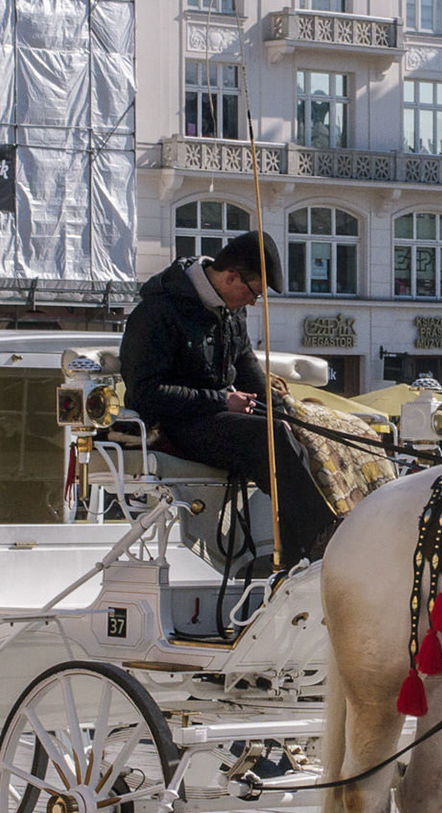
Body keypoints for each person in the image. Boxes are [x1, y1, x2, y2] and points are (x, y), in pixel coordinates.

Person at [120, 231, 337, 564]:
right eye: (253, 293)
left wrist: (282, 413)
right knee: (271, 436)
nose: (253, 302)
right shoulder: (158, 312)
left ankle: (298, 553)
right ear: (231, 276)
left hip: (218, 417)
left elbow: (247, 368)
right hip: (174, 425)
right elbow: (145, 392)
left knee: (291, 433)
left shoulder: (230, 310)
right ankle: (323, 538)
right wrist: (221, 401)